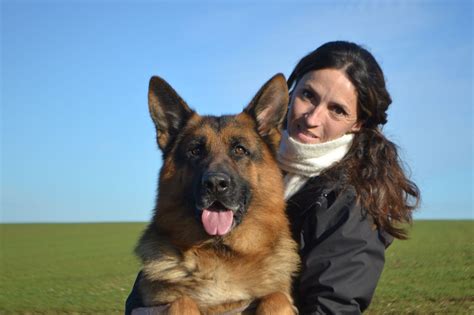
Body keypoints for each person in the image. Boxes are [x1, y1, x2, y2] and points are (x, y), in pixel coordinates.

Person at [125, 41, 420, 314]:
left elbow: (333, 307)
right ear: (291, 95)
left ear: (359, 123)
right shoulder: (270, 160)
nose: (313, 117)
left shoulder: (351, 204)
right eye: (308, 95)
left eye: (337, 110)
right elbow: (139, 303)